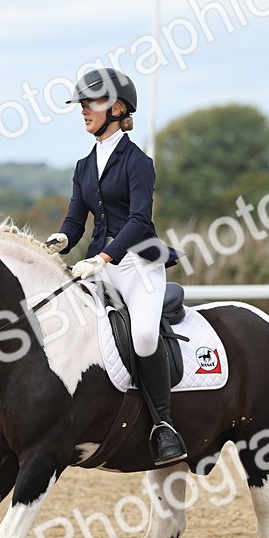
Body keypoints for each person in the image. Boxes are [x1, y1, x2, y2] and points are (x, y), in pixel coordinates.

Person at [46, 68, 187, 467]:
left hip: (138, 264)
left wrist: (105, 257)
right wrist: (60, 240)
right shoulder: (83, 166)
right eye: (82, 104)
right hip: (97, 266)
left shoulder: (138, 162)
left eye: (90, 103)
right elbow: (76, 221)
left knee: (143, 335)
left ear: (117, 108)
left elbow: (139, 220)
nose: (83, 110)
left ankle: (164, 426)